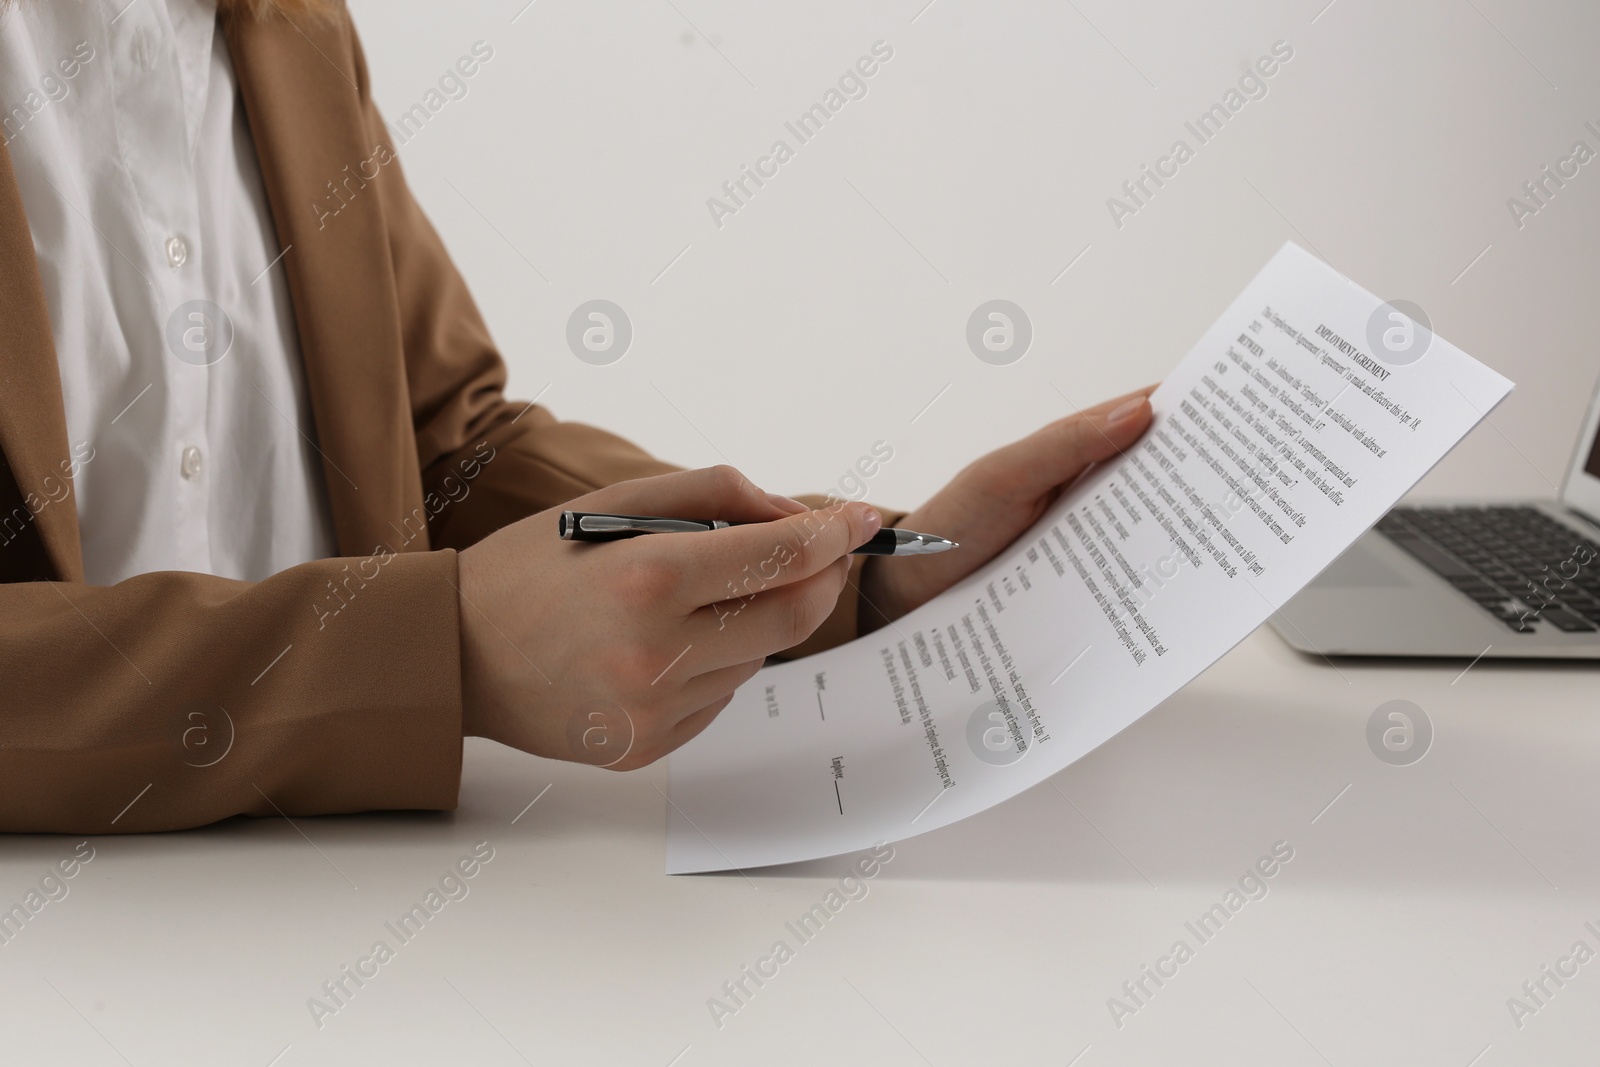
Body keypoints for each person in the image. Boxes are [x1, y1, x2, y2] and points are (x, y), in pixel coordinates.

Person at [0, 0, 1153, 833]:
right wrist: (434, 650)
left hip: (345, 904)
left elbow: (446, 442)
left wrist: (846, 569)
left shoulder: (291, 31)